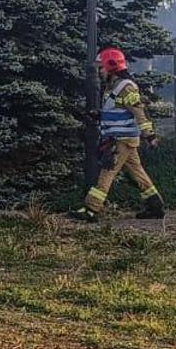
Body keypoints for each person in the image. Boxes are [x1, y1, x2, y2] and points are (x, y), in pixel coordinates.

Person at [71, 47, 165, 221]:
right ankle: (155, 206)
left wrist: (149, 135)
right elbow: (119, 110)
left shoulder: (125, 87)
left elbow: (138, 111)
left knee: (107, 171)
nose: (99, 71)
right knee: (137, 172)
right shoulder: (114, 87)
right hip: (123, 138)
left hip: (121, 139)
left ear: (111, 66)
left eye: (101, 68)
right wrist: (99, 115)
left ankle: (91, 209)